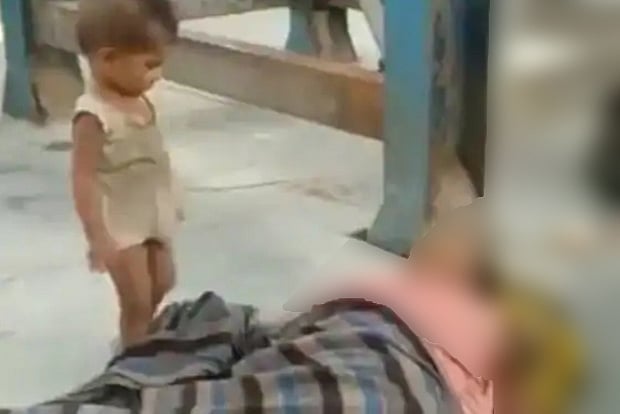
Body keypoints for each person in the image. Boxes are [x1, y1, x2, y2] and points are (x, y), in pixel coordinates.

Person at [71, 0, 181, 348]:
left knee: (163, 279)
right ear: (108, 59)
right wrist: (97, 235)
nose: (157, 76)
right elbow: (83, 178)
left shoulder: (138, 100)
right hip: (120, 222)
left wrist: (173, 199)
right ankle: (133, 357)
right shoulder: (93, 116)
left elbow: (154, 157)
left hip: (151, 212)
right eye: (150, 65)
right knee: (136, 298)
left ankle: (139, 336)